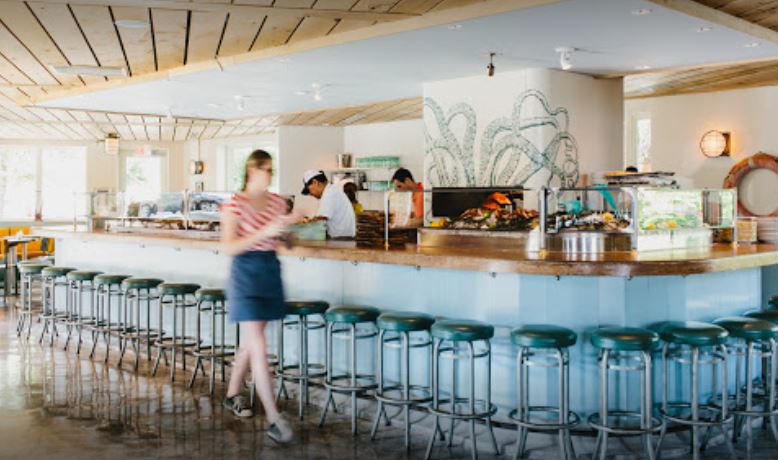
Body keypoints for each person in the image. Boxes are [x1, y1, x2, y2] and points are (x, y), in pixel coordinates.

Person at [220, 149, 295, 443]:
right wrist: (266, 231)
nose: (271, 174)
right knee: (260, 346)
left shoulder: (278, 202)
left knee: (253, 342)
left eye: (272, 170)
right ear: (253, 171)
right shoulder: (234, 204)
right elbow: (229, 246)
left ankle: (232, 394)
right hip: (245, 276)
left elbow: (286, 242)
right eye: (267, 169)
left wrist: (287, 231)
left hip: (269, 273)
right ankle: (274, 418)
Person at [301, 170, 355, 238]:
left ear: (315, 182)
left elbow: (320, 221)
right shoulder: (331, 190)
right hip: (343, 238)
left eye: (309, 190)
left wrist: (302, 225)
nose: (310, 194)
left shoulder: (329, 194)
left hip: (341, 239)